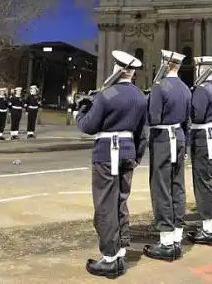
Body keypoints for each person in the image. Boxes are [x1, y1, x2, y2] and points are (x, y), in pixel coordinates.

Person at [75, 50, 147, 279]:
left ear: (118, 68)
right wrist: (137, 156)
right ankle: (121, 248)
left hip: (107, 152)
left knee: (105, 204)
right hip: (128, 151)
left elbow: (88, 126)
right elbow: (142, 132)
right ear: (132, 72)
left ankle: (109, 257)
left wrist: (83, 109)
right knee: (120, 201)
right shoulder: (139, 96)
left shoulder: (107, 94)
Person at [144, 50, 191, 262]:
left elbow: (153, 118)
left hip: (163, 138)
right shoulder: (186, 89)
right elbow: (187, 121)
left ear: (165, 64)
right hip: (179, 137)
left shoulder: (159, 86)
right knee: (177, 185)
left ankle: (165, 240)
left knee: (161, 186)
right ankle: (177, 234)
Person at [187, 56, 212, 246]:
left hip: (204, 138)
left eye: (198, 67)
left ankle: (208, 230)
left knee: (203, 182)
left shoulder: (202, 90)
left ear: (203, 69)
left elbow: (197, 115)